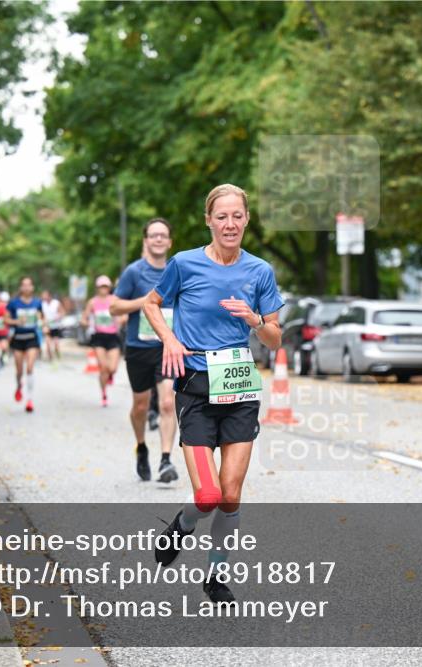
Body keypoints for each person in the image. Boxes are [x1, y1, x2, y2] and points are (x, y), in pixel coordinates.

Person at [148, 184, 284, 605]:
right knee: (207, 496)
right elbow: (152, 304)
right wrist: (170, 339)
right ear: (209, 220)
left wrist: (256, 320)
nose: (230, 224)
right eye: (221, 216)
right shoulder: (184, 264)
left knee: (230, 494)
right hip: (196, 387)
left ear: (247, 219)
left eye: (237, 216)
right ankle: (182, 526)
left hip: (239, 386)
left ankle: (217, 575)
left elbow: (275, 338)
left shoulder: (260, 271)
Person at [112, 218, 179, 482]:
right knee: (140, 406)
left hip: (167, 348)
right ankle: (141, 447)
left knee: (167, 402)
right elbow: (114, 307)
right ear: (146, 241)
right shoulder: (134, 272)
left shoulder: (177, 270)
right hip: (138, 347)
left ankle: (166, 460)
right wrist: (145, 302)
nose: (158, 239)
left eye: (163, 235)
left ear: (170, 242)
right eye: (153, 235)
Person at [81, 276, 125, 407]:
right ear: (97, 288)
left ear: (109, 287)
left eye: (106, 286)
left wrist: (122, 319)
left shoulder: (114, 300)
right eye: (101, 286)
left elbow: (124, 315)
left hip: (113, 337)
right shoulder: (92, 302)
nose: (103, 289)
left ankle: (110, 375)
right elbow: (84, 318)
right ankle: (104, 393)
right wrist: (85, 323)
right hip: (98, 337)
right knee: (104, 367)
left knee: (113, 368)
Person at [6, 277, 44, 413]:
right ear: (21, 288)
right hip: (18, 338)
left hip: (31, 338)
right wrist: (16, 322)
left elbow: (41, 318)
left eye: (29, 285)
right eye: (24, 285)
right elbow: (5, 319)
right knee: (19, 371)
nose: (27, 288)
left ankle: (29, 399)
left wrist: (42, 323)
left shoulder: (37, 302)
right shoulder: (13, 303)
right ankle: (19, 385)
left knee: (29, 367)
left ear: (32, 287)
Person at [41, 290, 64, 362]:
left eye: (45, 296)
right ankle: (51, 360)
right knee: (48, 344)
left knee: (56, 345)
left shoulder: (56, 303)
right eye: (43, 296)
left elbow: (62, 312)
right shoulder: (42, 304)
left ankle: (58, 356)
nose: (44, 297)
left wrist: (58, 316)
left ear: (49, 296)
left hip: (56, 326)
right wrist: (43, 322)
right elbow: (41, 315)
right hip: (47, 326)